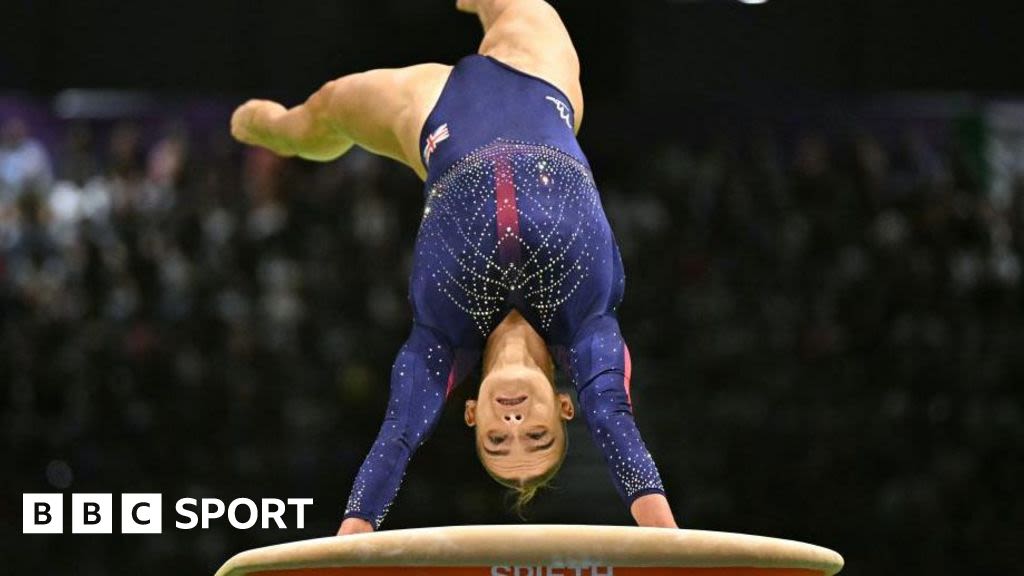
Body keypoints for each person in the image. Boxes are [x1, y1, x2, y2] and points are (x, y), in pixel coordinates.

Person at [230, 0, 678, 535]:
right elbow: (614, 420)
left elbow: (397, 435)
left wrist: (353, 534)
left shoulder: (443, 340)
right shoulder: (588, 327)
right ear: (564, 407)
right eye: (536, 435)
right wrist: (667, 542)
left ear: (471, 417)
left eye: (497, 440)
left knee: (314, 119)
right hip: (537, 82)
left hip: (426, 117)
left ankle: (271, 128)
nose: (514, 423)